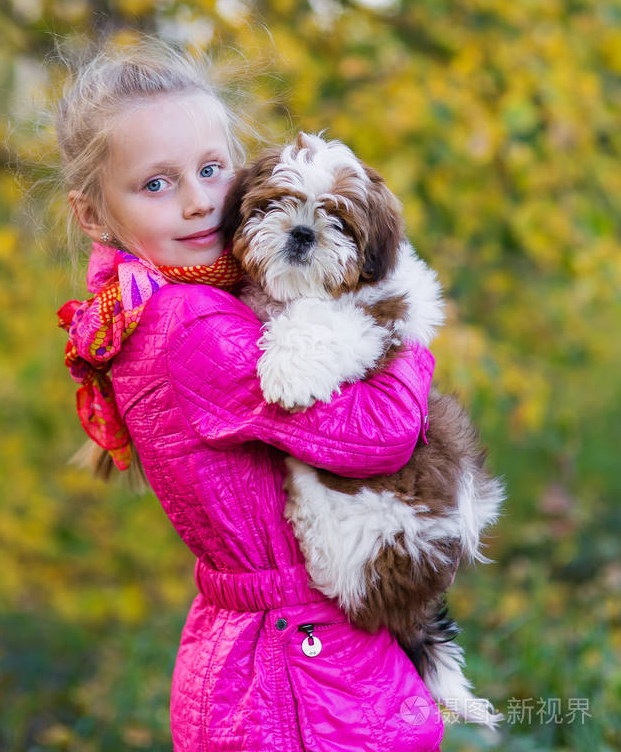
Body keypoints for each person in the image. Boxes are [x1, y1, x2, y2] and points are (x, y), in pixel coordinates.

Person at [55, 41, 444, 751]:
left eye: (210, 169)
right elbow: (379, 432)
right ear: (92, 213)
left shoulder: (187, 294)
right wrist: (411, 336)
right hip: (291, 680)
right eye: (156, 184)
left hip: (290, 656)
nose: (200, 199)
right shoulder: (188, 325)